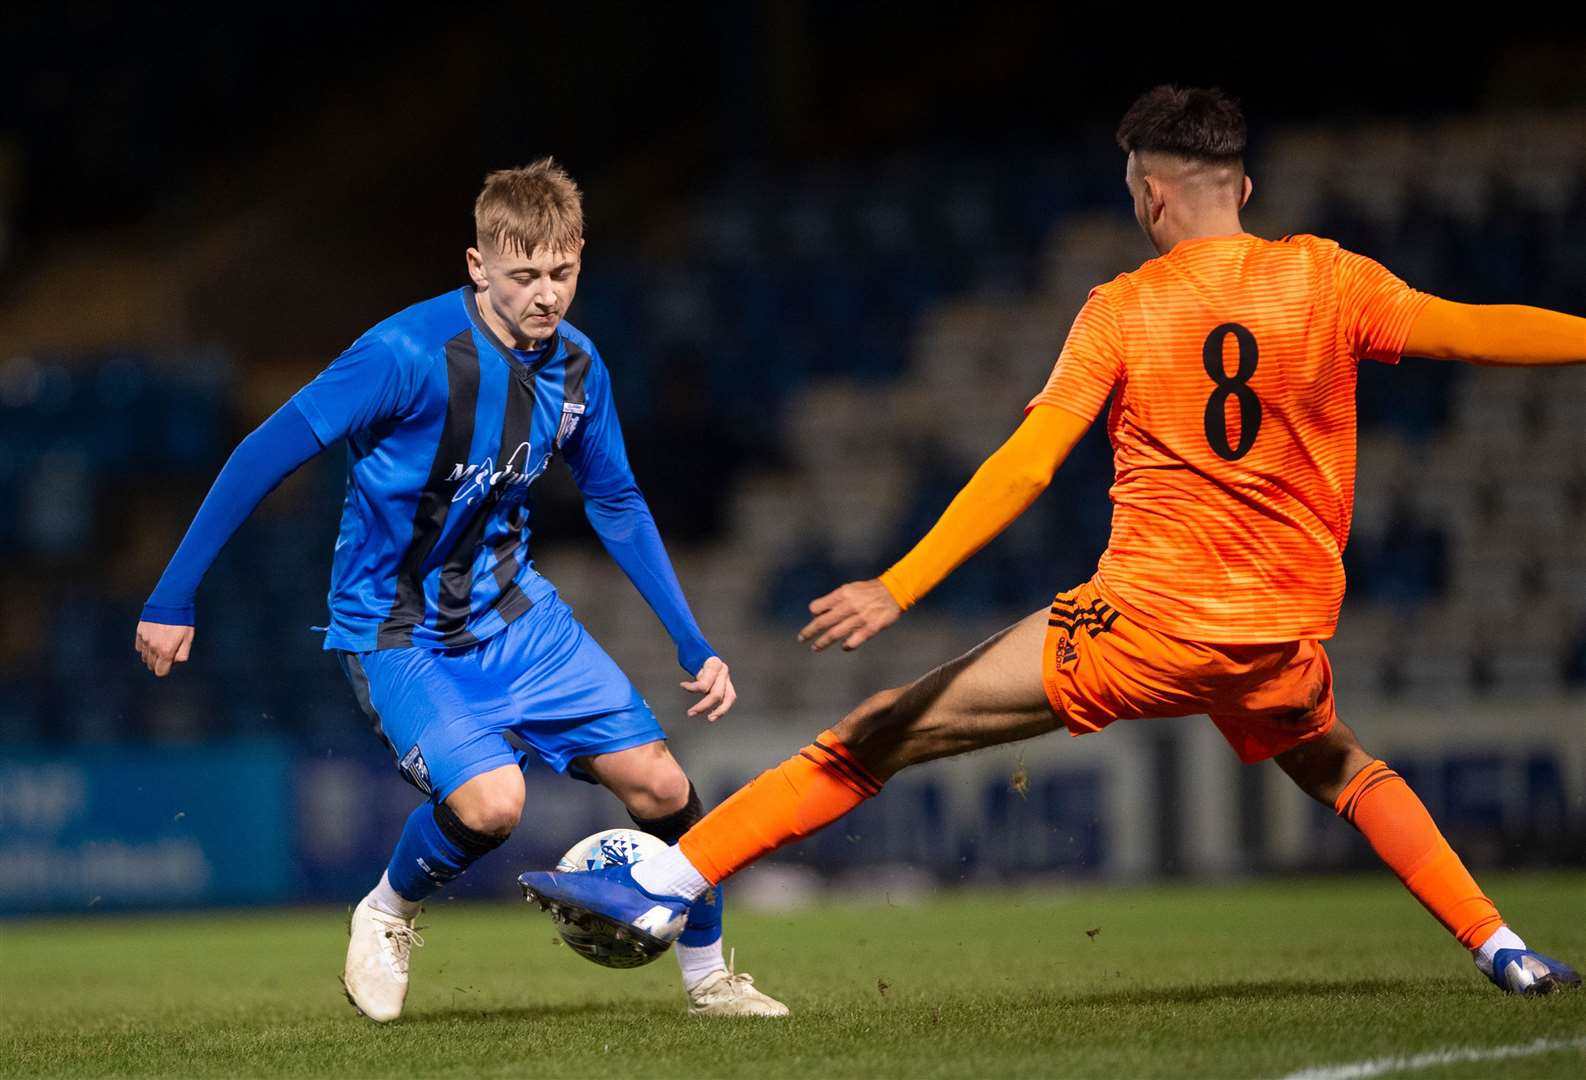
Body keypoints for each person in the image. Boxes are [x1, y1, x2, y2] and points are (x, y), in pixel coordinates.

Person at [518, 89, 1584, 996]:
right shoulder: (1331, 278)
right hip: (1273, 635)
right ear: (1242, 190)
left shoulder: (1122, 308)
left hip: (1141, 624)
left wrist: (900, 583)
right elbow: (1470, 328)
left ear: (1149, 194)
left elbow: (1027, 465)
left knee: (877, 732)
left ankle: (661, 881)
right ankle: (1499, 947)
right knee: (1342, 767)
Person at [134, 159, 788, 1020]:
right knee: (493, 804)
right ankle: (386, 910)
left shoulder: (581, 368)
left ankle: (709, 983)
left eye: (562, 273)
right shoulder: (403, 354)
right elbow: (264, 451)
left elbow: (617, 500)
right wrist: (175, 594)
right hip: (394, 628)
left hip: (516, 614)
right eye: (523, 277)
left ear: (580, 256)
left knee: (666, 790)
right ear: (478, 267)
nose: (546, 295)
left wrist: (690, 638)